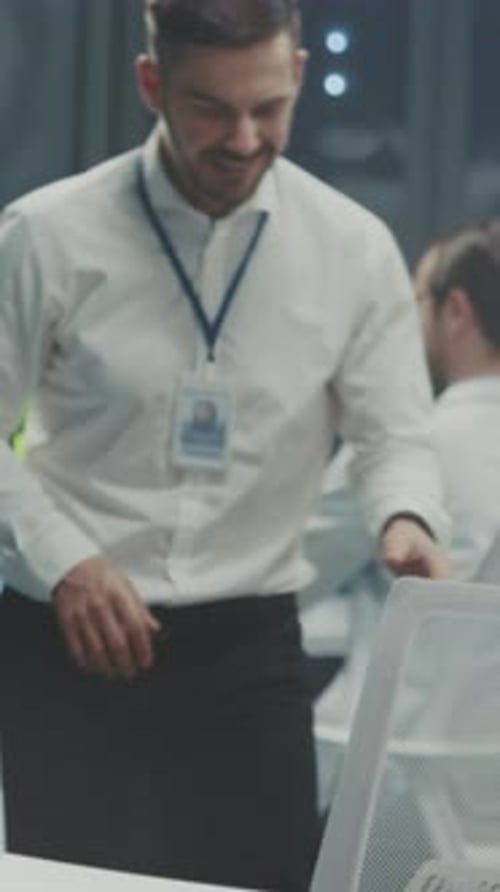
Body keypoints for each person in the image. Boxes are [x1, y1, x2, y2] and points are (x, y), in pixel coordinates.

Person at [0, 1, 450, 890]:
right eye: (211, 109)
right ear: (152, 83)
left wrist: (404, 518)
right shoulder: (46, 234)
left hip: (247, 655)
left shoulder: (354, 249)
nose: (244, 140)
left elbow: (393, 436)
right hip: (68, 636)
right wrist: (64, 560)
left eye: (269, 108)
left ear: (298, 75)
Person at [306, 217, 500, 736]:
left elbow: (288, 577)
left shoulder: (404, 447)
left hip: (393, 765)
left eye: (417, 302)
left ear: (455, 311)